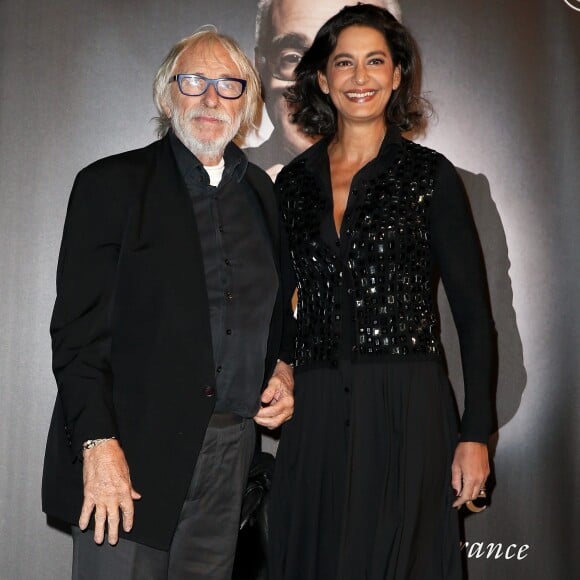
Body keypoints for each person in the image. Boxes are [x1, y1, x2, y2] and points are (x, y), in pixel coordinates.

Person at [42, 26, 295, 580]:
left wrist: (280, 366)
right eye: (194, 80)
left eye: (229, 84)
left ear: (248, 103)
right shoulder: (110, 185)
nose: (210, 97)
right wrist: (97, 444)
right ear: (166, 93)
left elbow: (273, 311)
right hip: (130, 454)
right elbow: (77, 336)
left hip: (230, 456)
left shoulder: (262, 195)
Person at [268, 5, 496, 579]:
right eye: (344, 62)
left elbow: (473, 318)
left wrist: (475, 435)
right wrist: (280, 367)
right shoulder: (292, 184)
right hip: (316, 412)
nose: (360, 76)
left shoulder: (431, 177)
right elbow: (279, 304)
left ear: (397, 76)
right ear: (322, 78)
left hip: (409, 407)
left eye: (376, 61)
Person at [249, 0, 401, 178]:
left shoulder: (431, 184)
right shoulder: (226, 186)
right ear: (259, 68)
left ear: (395, 73)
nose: (318, 85)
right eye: (293, 58)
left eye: (345, 61)